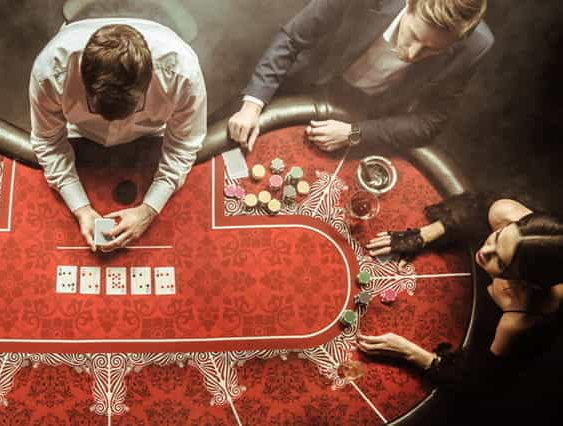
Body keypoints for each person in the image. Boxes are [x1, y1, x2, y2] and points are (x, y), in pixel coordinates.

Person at [359, 193, 563, 399]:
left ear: (526, 282)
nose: (485, 250)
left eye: (500, 262)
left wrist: (410, 352)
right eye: (498, 236)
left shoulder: (520, 318)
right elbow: (474, 209)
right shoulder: (506, 213)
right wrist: (422, 236)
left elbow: (480, 383)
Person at [30, 20, 207, 252]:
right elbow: (48, 141)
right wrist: (81, 209)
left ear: (148, 82)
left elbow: (183, 145)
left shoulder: (183, 74)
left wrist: (149, 209)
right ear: (82, 80)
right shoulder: (51, 73)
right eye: (97, 111)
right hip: (81, 136)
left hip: (152, 136)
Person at [228, 0, 493, 152]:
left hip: (364, 116)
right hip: (302, 82)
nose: (411, 55)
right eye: (413, 36)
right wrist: (252, 105)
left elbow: (429, 122)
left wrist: (354, 134)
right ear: (410, 5)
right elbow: (293, 38)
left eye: (432, 50)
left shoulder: (476, 46)